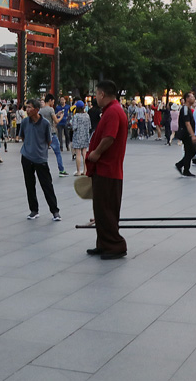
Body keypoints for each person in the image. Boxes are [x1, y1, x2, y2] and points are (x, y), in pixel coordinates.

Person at [86, 80, 128, 259]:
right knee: (102, 210)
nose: (95, 97)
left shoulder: (112, 111)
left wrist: (96, 153)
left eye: (96, 94)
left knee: (106, 209)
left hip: (108, 168)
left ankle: (114, 245)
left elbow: (109, 137)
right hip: (107, 169)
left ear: (102, 94)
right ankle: (103, 243)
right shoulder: (112, 110)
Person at [19, 98, 61, 221]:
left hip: (40, 158)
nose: (27, 109)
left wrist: (40, 149)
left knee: (47, 185)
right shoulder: (25, 122)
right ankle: (34, 210)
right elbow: (22, 136)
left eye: (29, 107)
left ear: (37, 110)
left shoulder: (45, 123)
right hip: (26, 156)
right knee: (29, 184)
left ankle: (55, 211)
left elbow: (49, 141)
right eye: (26, 107)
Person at [41, 94, 69, 176]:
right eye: (53, 101)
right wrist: (61, 116)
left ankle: (43, 170)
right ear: (50, 100)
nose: (53, 103)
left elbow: (49, 118)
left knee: (43, 153)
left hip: (43, 134)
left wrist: (56, 114)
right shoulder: (51, 109)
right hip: (51, 133)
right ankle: (61, 170)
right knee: (58, 153)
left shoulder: (41, 110)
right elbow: (56, 121)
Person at [174, 93, 196, 177]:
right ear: (187, 99)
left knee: (189, 151)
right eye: (192, 97)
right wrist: (192, 135)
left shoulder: (188, 108)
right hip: (186, 134)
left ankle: (186, 169)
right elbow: (187, 123)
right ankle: (180, 165)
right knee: (191, 151)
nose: (194, 98)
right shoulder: (185, 109)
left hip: (187, 133)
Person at [70, 100, 91, 175]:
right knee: (84, 153)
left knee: (78, 153)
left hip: (77, 136)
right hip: (85, 136)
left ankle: (78, 171)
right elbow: (89, 126)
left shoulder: (76, 116)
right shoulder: (87, 115)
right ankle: (85, 170)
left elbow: (74, 127)